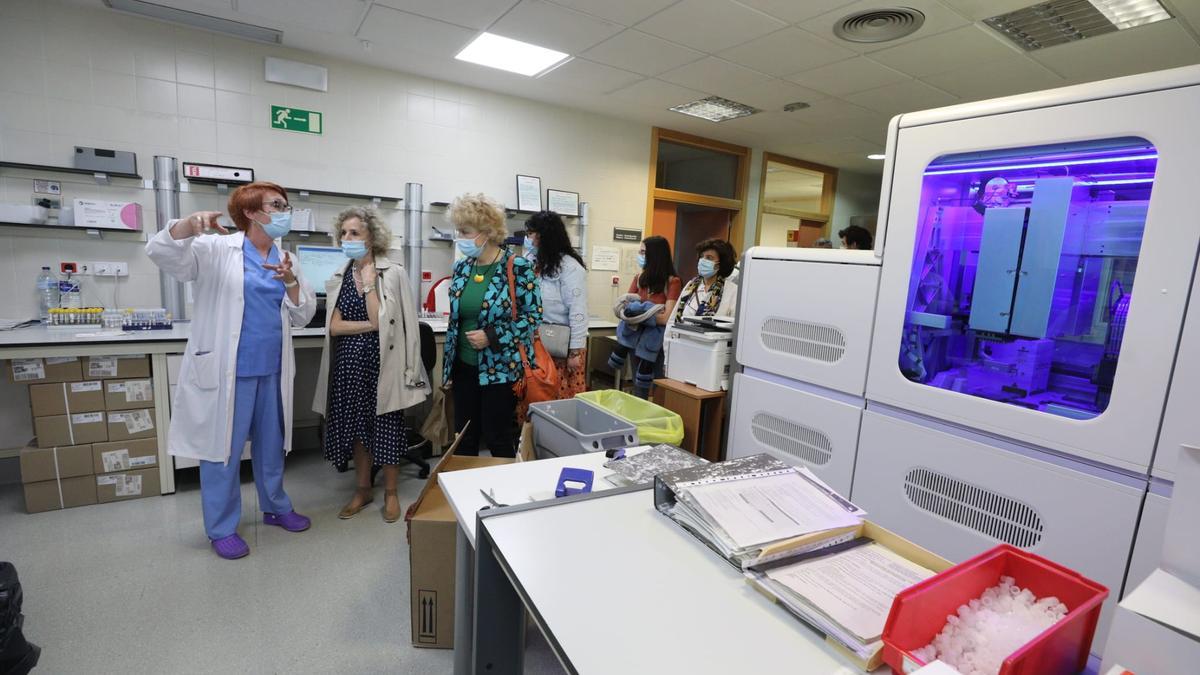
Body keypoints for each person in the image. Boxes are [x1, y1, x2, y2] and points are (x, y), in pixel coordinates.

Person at [145, 181, 316, 560]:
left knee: (272, 447)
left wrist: (290, 282)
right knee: (222, 450)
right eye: (276, 205)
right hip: (229, 370)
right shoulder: (214, 249)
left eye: (286, 204)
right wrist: (188, 226)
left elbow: (303, 315)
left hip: (271, 368)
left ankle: (276, 507)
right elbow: (160, 251)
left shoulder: (287, 258)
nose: (285, 210)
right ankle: (221, 527)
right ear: (252, 213)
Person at [313, 207, 428, 523]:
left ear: (372, 237)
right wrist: (369, 324)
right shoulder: (340, 275)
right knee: (358, 431)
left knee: (386, 428)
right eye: (344, 233)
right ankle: (363, 489)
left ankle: (391, 493)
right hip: (349, 365)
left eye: (355, 233)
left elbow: (399, 324)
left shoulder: (392, 273)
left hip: (384, 364)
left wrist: (368, 287)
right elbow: (335, 327)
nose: (347, 239)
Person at [442, 193, 542, 457]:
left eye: (465, 231)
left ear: (486, 232)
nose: (459, 237)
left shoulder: (516, 266)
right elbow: (457, 318)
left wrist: (492, 335)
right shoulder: (462, 268)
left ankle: (505, 496)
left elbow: (533, 317)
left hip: (500, 368)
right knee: (463, 438)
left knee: (497, 437)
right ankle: (466, 495)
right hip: (464, 367)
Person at [523, 210, 589, 401]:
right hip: (534, 343)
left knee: (558, 399)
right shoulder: (533, 262)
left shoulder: (570, 267)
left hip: (561, 348)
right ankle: (530, 432)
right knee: (533, 395)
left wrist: (575, 351)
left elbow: (578, 311)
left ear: (543, 236)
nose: (528, 239)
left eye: (530, 234)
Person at [608, 235, 680, 398]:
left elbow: (666, 318)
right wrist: (651, 313)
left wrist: (639, 313)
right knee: (638, 386)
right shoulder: (639, 278)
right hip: (634, 341)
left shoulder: (672, 282)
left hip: (656, 346)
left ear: (655, 255)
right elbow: (626, 308)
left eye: (643, 252)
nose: (640, 256)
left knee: (657, 386)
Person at [671, 238, 738, 324]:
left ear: (720, 264)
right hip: (683, 336)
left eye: (709, 257)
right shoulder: (691, 286)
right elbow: (673, 319)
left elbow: (734, 325)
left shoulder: (732, 291)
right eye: (702, 256)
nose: (703, 260)